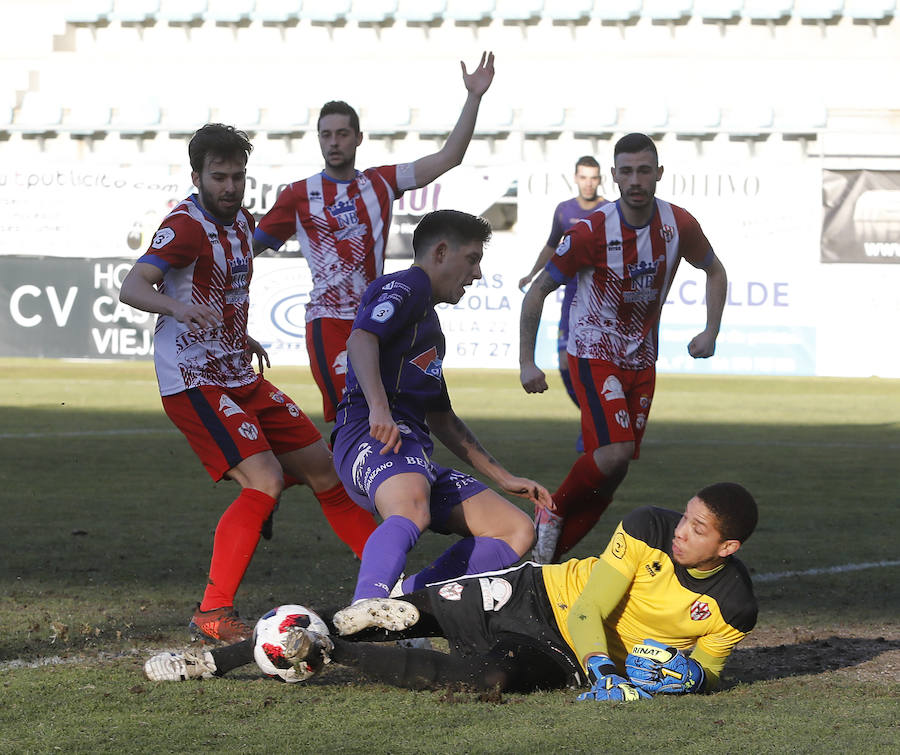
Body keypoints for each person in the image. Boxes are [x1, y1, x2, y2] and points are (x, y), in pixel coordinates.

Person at [143, 482, 759, 703]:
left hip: (559, 656)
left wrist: (693, 679)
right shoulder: (648, 527)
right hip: (535, 594)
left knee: (484, 682)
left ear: (727, 549)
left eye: (699, 530)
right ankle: (211, 661)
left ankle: (321, 655)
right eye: (686, 517)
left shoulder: (735, 606)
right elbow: (594, 604)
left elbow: (709, 666)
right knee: (387, 613)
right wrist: (607, 666)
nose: (682, 532)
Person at [119, 124, 375, 645]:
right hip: (194, 378)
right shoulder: (184, 226)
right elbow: (132, 285)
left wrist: (244, 334)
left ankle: (386, 582)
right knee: (265, 479)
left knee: (325, 471)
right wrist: (177, 307)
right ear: (197, 177)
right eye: (219, 177)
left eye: (237, 176)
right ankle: (213, 611)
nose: (230, 186)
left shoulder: (242, 225)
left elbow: (220, 290)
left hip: (237, 369)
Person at [328, 209, 552, 627]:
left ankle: (408, 600)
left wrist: (504, 478)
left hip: (412, 450)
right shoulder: (407, 285)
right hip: (371, 433)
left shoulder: (428, 324)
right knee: (412, 509)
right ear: (441, 252)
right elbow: (361, 338)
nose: (478, 273)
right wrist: (378, 406)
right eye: (471, 259)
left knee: (515, 531)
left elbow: (443, 419)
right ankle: (364, 609)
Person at [253, 52, 496, 424]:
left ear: (358, 138)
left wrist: (474, 97)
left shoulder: (379, 182)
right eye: (326, 135)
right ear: (318, 140)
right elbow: (247, 248)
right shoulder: (299, 195)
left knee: (392, 415)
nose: (333, 142)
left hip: (378, 316)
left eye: (342, 134)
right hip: (329, 320)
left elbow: (449, 157)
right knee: (355, 416)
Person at [519, 133, 728, 564]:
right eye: (627, 171)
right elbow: (537, 291)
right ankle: (551, 510)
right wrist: (527, 361)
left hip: (642, 359)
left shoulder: (678, 225)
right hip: (594, 353)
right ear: (614, 176)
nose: (636, 180)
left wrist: (711, 330)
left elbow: (715, 270)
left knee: (613, 471)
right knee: (613, 455)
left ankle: (545, 561)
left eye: (644, 170)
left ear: (659, 174)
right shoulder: (590, 231)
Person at [517, 156, 607, 431]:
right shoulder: (564, 211)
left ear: (600, 179)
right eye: (584, 177)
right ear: (576, 178)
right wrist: (533, 273)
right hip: (571, 296)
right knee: (565, 363)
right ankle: (592, 418)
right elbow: (551, 245)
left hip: (602, 298)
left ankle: (600, 421)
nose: (588, 183)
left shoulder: (610, 211)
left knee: (599, 363)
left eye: (593, 177)